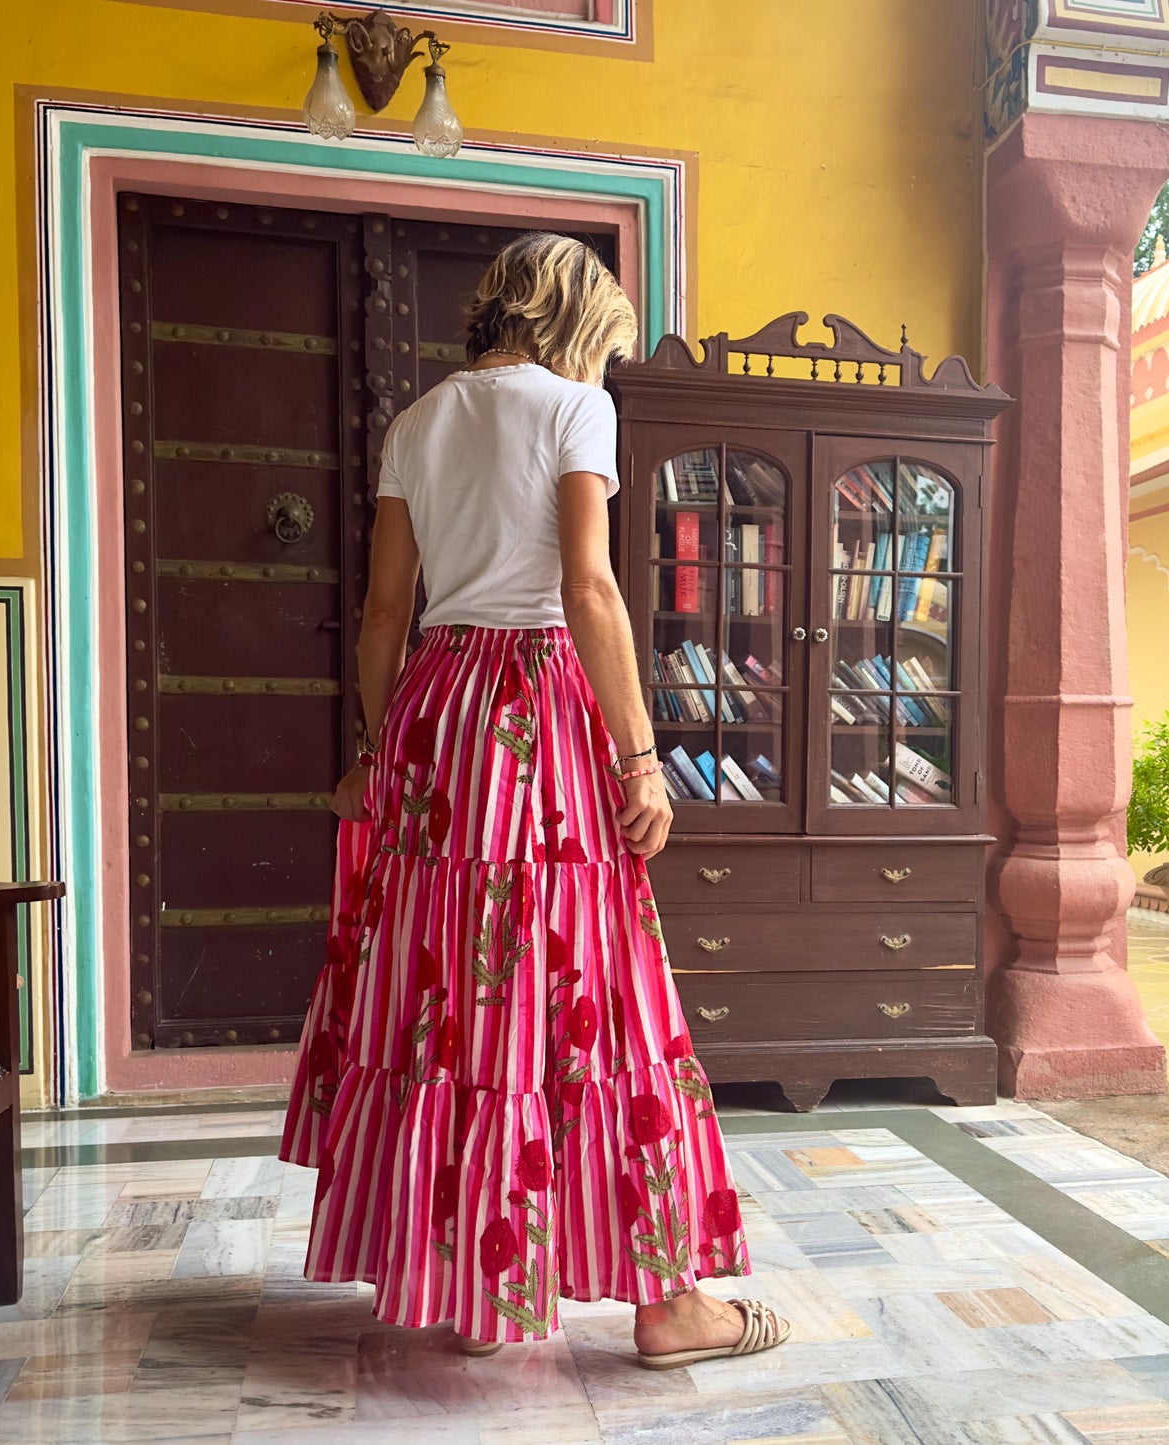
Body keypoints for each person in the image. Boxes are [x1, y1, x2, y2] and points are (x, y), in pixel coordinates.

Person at [279, 232, 788, 1371]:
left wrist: (377, 748)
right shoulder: (572, 409)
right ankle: (666, 1304)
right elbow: (590, 585)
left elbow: (379, 615)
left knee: (452, 992)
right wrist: (641, 756)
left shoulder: (417, 421)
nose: (604, 363)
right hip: (536, 712)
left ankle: (475, 1283)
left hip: (435, 710)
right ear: (570, 321)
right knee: (593, 990)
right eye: (602, 340)